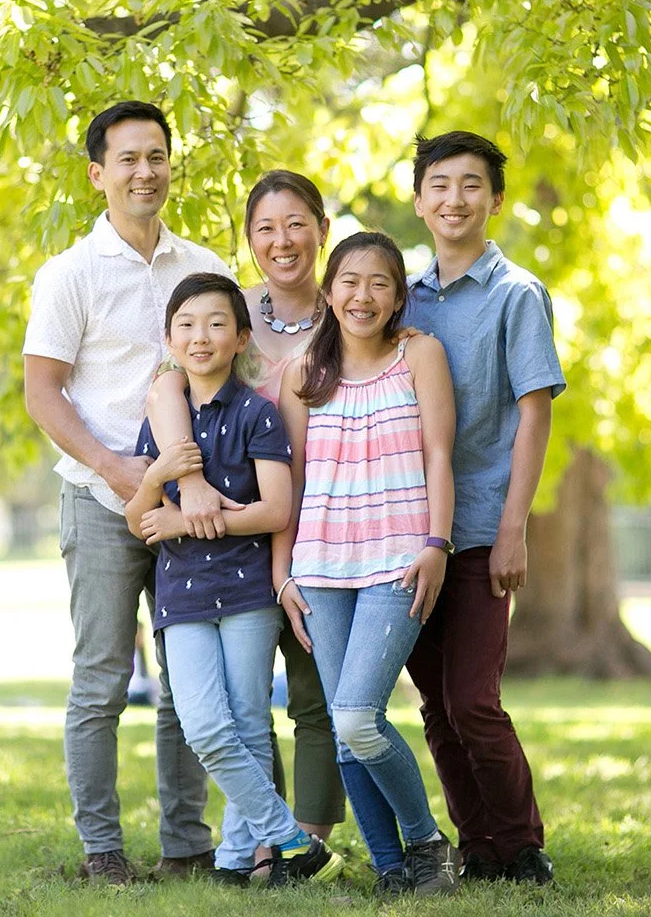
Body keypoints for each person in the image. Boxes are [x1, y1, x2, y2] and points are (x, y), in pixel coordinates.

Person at [22, 100, 232, 884]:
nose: (145, 172)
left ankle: (187, 846)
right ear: (97, 174)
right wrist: (113, 466)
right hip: (101, 503)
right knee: (102, 680)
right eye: (128, 159)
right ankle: (103, 852)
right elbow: (42, 392)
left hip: (187, 508)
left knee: (187, 682)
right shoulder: (70, 274)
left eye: (157, 157)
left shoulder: (203, 267)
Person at [145, 171, 345, 853]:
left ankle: (305, 844)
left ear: (322, 229)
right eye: (266, 228)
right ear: (250, 240)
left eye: (296, 224)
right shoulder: (227, 315)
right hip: (239, 536)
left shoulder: (352, 309)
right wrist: (189, 484)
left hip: (331, 520)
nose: (282, 241)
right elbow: (166, 388)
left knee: (315, 695)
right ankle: (264, 844)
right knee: (238, 706)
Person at [273, 231, 462, 897]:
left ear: (398, 297)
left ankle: (428, 844)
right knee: (345, 728)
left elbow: (439, 455)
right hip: (320, 568)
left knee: (357, 716)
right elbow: (291, 481)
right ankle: (390, 869)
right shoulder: (302, 372)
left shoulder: (420, 355)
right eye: (350, 282)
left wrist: (437, 544)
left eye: (379, 283)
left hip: (399, 562)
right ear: (329, 293)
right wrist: (282, 573)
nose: (363, 296)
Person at [402, 131, 567, 885]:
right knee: (437, 707)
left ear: (495, 200)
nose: (454, 199)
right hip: (408, 535)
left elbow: (534, 416)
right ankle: (478, 848)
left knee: (473, 701)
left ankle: (521, 844)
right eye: (439, 185)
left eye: (471, 185)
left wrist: (513, 530)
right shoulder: (401, 296)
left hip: (477, 531)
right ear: (418, 201)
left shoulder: (517, 294)